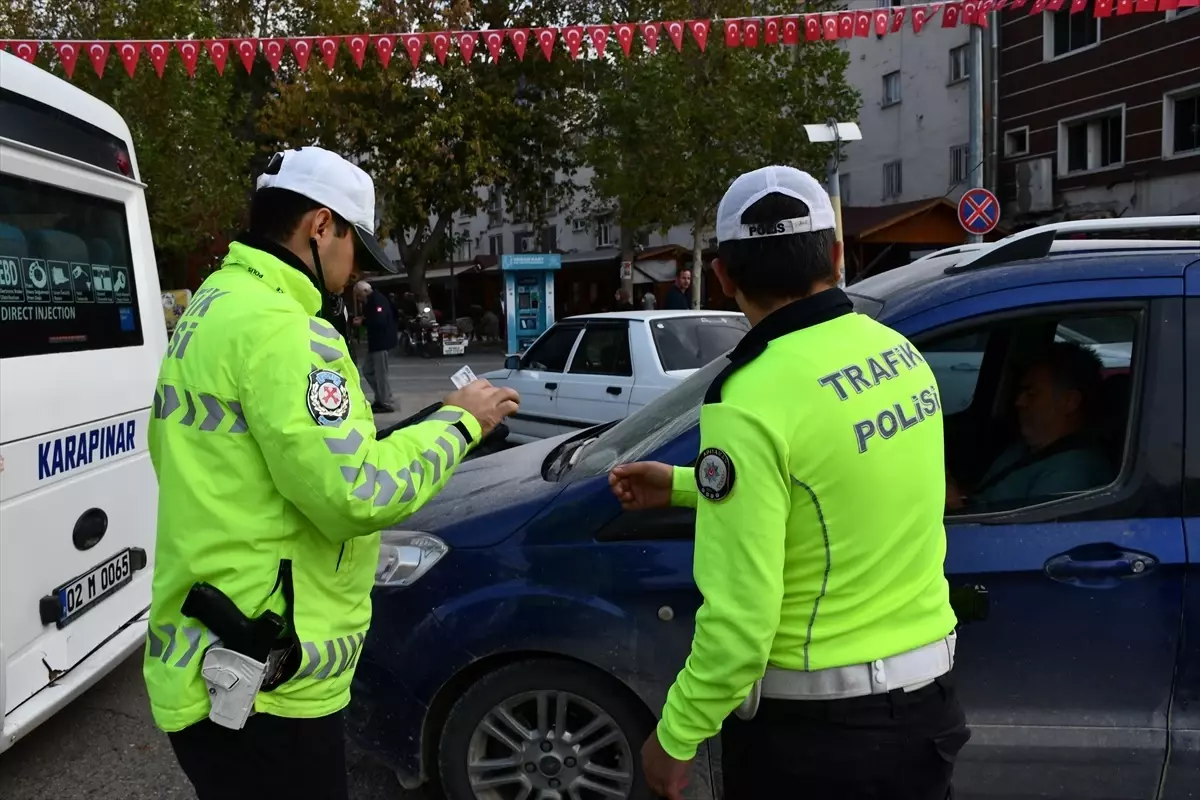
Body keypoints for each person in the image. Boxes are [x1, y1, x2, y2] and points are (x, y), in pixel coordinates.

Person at [144, 146, 519, 800]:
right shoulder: (287, 330)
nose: (355, 273)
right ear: (321, 227)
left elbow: (273, 459)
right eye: (357, 249)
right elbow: (357, 493)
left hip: (209, 654)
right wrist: (462, 423)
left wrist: (426, 422)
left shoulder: (215, 304)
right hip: (268, 681)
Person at [608, 166, 967, 800]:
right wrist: (689, 485)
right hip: (927, 711)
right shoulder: (897, 353)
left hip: (821, 737)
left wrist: (677, 733)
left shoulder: (751, 398)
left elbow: (741, 624)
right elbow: (839, 485)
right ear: (837, 254)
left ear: (724, 277)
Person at [947, 341, 1112, 510]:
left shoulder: (1073, 470)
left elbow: (1031, 526)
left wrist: (955, 507)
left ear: (1070, 401)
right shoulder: (1024, 448)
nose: (1019, 402)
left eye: (1031, 394)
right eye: (1021, 392)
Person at [353, 280, 398, 414]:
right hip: (375, 342)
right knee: (367, 370)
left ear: (365, 291)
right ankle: (381, 397)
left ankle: (386, 402)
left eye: (359, 295)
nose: (358, 298)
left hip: (381, 341)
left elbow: (379, 320)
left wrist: (363, 321)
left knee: (380, 374)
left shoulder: (377, 300)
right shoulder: (372, 301)